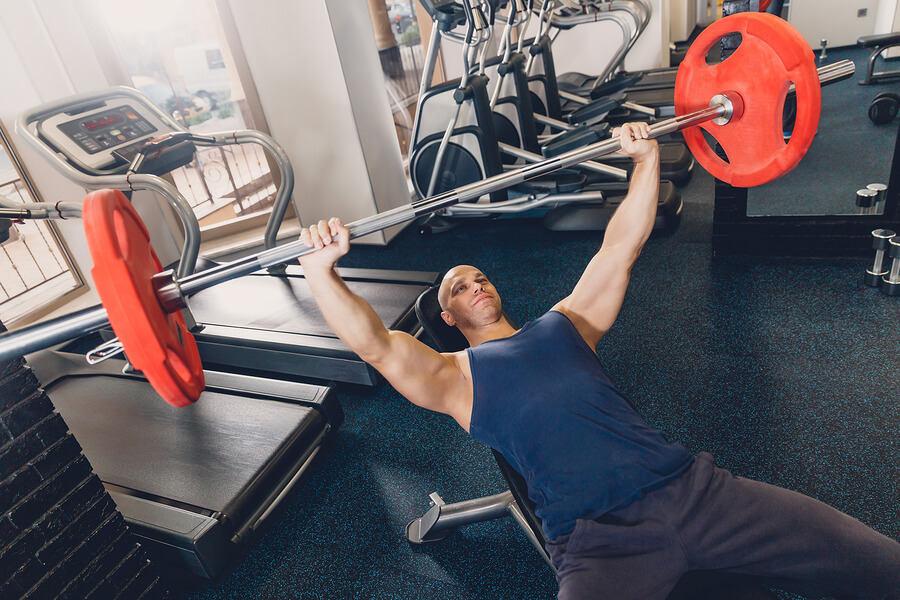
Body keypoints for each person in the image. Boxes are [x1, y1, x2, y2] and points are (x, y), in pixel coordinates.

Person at [297, 123, 900, 600]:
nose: (476, 285)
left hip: (695, 492)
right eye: (459, 287)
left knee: (879, 562)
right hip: (598, 546)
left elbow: (622, 246)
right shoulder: (456, 378)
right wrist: (321, 272)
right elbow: (375, 343)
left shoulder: (564, 324)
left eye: (480, 277)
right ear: (448, 319)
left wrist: (646, 163)